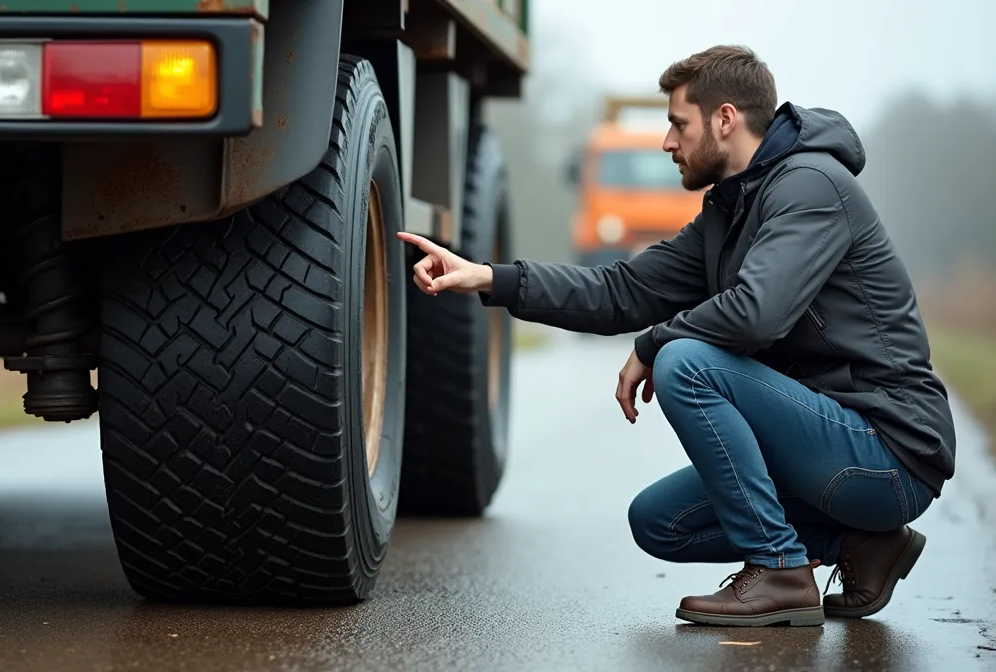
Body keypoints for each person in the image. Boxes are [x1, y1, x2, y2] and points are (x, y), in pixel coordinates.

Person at [397, 45, 956, 628]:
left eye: (676, 123)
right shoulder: (729, 211)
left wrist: (652, 344)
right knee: (658, 520)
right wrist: (490, 277)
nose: (667, 142)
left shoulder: (812, 187)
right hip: (822, 441)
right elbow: (620, 290)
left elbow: (757, 313)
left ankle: (781, 569)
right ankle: (862, 545)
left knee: (685, 361)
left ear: (724, 119)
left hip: (887, 451)